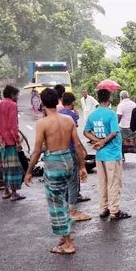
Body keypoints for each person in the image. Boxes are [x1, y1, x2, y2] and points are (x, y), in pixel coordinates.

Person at [24, 88, 88, 254]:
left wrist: (29, 171)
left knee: (56, 203)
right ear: (58, 101)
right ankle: (64, 235)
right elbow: (78, 145)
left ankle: (67, 243)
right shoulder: (68, 120)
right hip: (68, 159)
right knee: (63, 198)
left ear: (43, 103)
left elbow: (37, 150)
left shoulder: (42, 123)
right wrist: (82, 166)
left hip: (54, 163)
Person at [84, 89, 131, 220]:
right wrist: (103, 141)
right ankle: (114, 211)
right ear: (109, 98)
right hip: (112, 154)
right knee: (114, 182)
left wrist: (97, 141)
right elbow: (114, 132)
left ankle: (104, 208)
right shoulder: (111, 114)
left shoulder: (93, 115)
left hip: (100, 155)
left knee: (103, 182)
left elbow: (86, 131)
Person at [59, 92, 92, 220]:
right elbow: (75, 137)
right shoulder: (72, 115)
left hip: (59, 151)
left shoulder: (58, 114)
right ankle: (72, 210)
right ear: (72, 102)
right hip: (71, 150)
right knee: (73, 181)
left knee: (65, 181)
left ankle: (66, 207)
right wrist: (82, 151)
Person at [0, 85, 25, 201]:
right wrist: (17, 140)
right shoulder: (12, 105)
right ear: (12, 95)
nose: (17, 97)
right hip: (10, 141)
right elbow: (12, 125)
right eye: (16, 95)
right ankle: (14, 193)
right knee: (13, 167)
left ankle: (6, 190)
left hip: (1, 142)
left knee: (4, 166)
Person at [117, 90, 136, 155]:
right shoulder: (133, 103)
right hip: (133, 127)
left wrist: (115, 125)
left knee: (120, 142)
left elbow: (119, 117)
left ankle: (122, 156)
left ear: (121, 97)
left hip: (124, 127)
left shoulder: (121, 105)